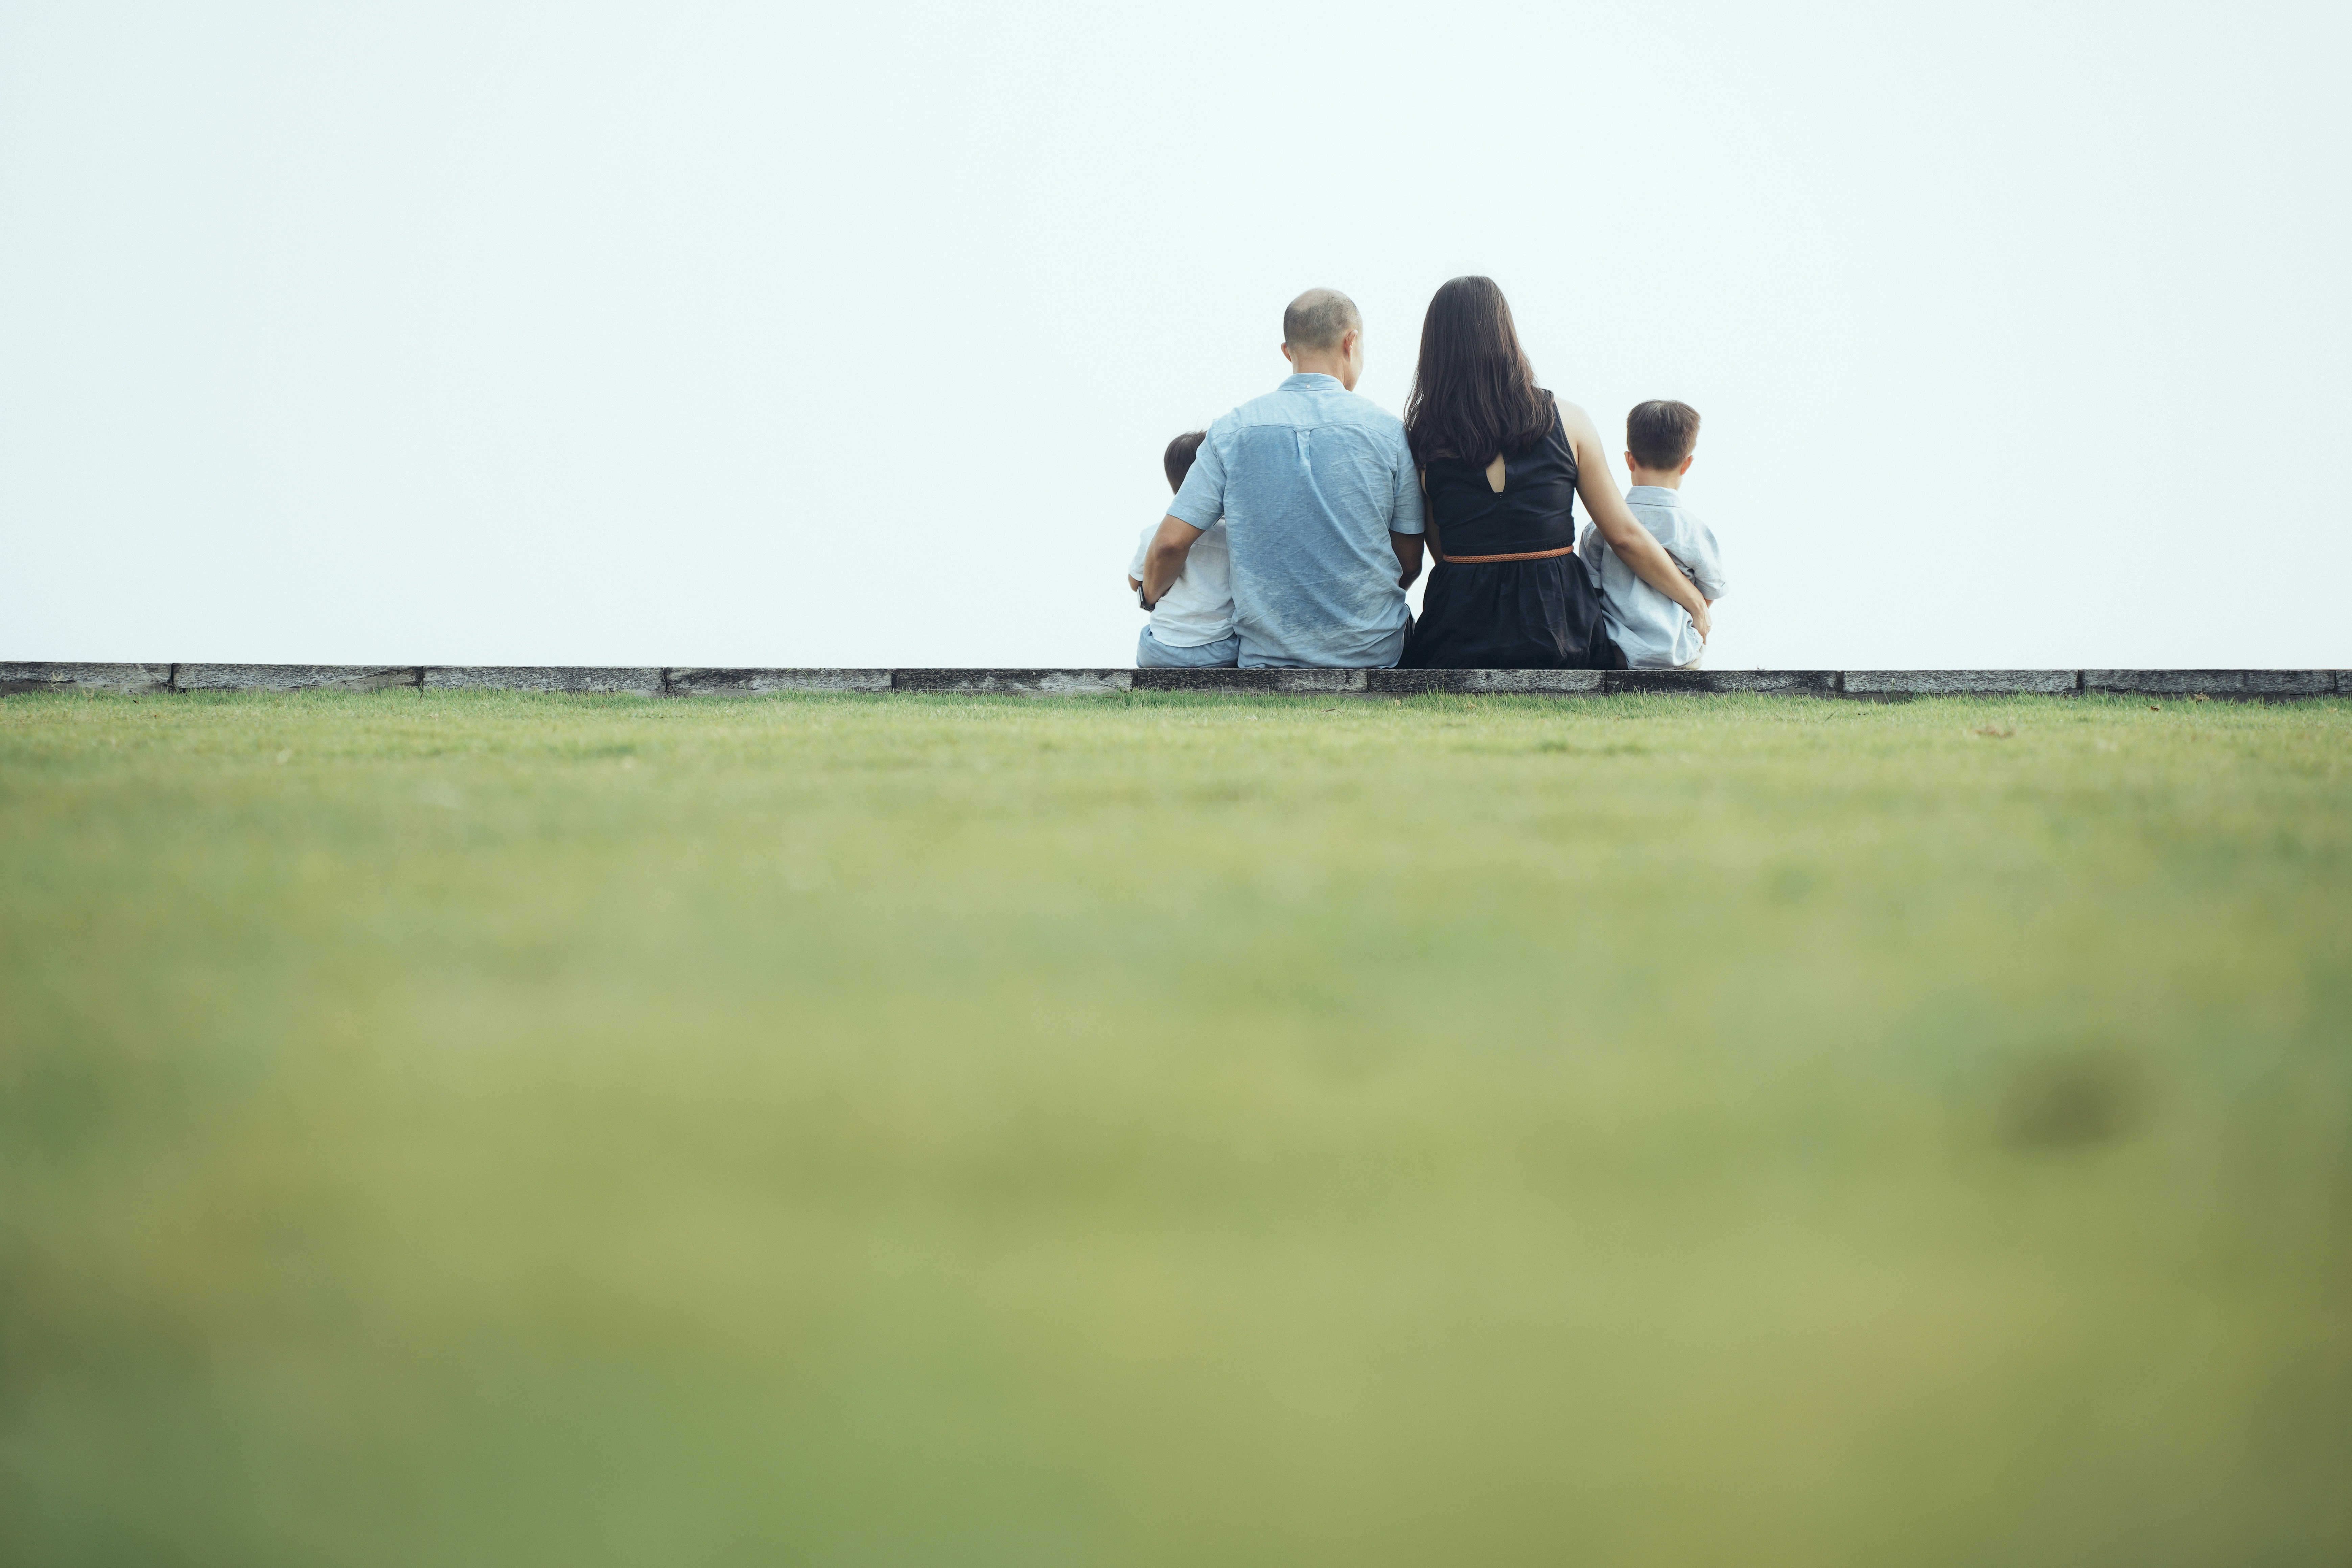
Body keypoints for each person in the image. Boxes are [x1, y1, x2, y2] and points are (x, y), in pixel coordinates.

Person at [1395, 276, 1711, 670]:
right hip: (1559, 630)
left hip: (1458, 632)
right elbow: (1625, 536)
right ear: (1505, 335)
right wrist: (1693, 600)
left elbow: (1443, 554)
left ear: (1436, 348)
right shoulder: (1571, 420)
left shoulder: (1423, 439)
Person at [1137, 289, 1425, 669]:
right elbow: (1408, 563)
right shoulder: (1389, 432)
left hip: (1267, 659)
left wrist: (1148, 596)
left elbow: (1170, 544)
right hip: (1374, 654)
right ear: (1351, 341)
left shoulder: (1230, 432)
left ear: (1287, 351)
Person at [1577, 401, 1726, 670]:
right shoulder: (1696, 531)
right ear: (1686, 464)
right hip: (1681, 654)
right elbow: (1710, 592)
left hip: (1619, 654)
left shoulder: (1597, 531)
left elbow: (1590, 594)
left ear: (1629, 460)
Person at [1127, 432, 1238, 667]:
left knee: (1146, 637)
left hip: (1162, 651)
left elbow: (1134, 582)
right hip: (1221, 650)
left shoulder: (1154, 535)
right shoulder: (1235, 536)